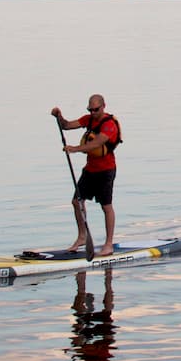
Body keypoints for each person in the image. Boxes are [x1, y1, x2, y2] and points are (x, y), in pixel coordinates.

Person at [51, 95, 121, 257]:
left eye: (96, 109)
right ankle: (82, 236)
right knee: (76, 202)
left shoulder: (109, 125)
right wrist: (58, 116)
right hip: (90, 169)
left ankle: (108, 244)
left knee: (106, 206)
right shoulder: (87, 119)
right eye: (90, 109)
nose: (93, 112)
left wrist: (74, 149)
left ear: (103, 106)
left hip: (106, 171)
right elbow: (66, 126)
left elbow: (97, 143)